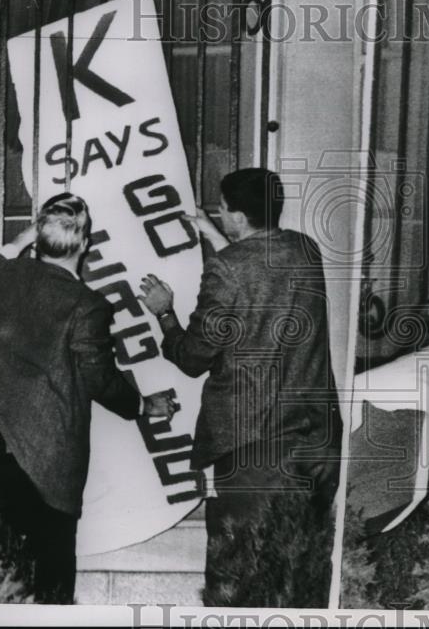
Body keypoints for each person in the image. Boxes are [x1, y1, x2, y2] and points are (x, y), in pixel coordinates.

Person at [138, 168, 343, 607]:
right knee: (301, 573)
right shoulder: (305, 250)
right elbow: (260, 270)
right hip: (316, 441)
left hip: (256, 444)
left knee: (242, 575)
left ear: (237, 214)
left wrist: (165, 314)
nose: (218, 211)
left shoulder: (227, 269)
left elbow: (194, 357)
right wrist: (214, 234)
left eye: (222, 207)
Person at [0, 192, 177, 604]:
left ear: (39, 240)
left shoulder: (9, 278)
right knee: (50, 581)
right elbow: (98, 377)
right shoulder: (87, 306)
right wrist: (146, 405)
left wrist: (22, 237)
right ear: (85, 244)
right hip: (47, 462)